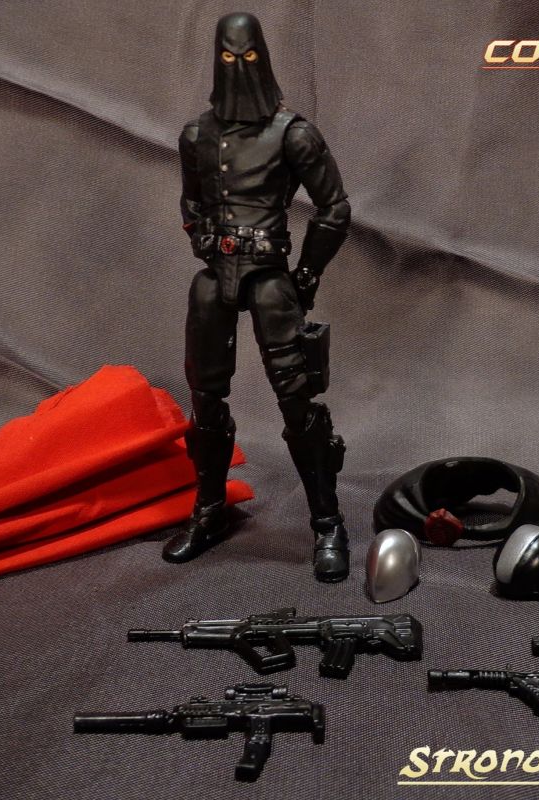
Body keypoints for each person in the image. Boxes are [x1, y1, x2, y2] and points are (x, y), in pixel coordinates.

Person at [163, 12, 352, 582]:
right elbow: (191, 201)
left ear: (263, 58)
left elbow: (334, 207)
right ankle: (210, 510)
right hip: (213, 278)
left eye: (247, 57)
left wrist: (306, 275)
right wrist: (201, 236)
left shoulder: (294, 133)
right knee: (205, 398)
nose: (239, 66)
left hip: (271, 279)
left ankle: (328, 524)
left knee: (298, 400)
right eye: (228, 57)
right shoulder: (196, 135)